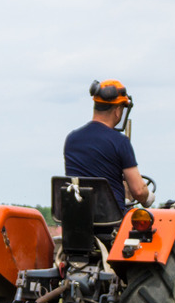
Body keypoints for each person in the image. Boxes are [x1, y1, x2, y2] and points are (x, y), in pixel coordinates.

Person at [63, 79, 153, 214]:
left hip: (76, 220)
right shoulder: (120, 142)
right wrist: (148, 197)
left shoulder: (71, 139)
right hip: (111, 223)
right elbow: (139, 191)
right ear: (117, 110)